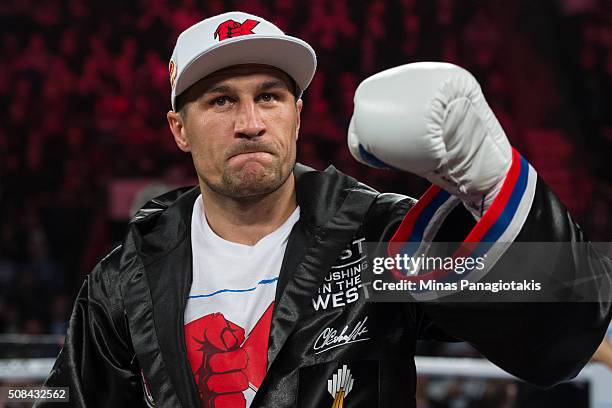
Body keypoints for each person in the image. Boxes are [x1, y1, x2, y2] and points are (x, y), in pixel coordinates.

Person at [36, 11, 612, 408]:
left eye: (270, 95)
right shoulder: (125, 276)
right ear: (179, 129)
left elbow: (561, 338)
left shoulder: (378, 238)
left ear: (298, 113)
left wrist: (498, 179)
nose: (251, 122)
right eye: (220, 101)